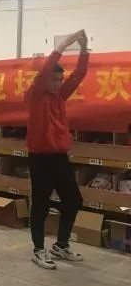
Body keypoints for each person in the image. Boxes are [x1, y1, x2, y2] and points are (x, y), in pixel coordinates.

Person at [26, 30, 89, 270]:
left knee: (73, 200)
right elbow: (43, 73)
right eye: (54, 80)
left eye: (60, 80)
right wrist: (62, 45)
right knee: (40, 205)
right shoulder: (34, 96)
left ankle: (61, 245)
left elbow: (79, 74)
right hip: (40, 159)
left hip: (60, 158)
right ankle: (38, 249)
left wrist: (83, 49)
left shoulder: (60, 96)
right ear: (44, 80)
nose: (58, 83)